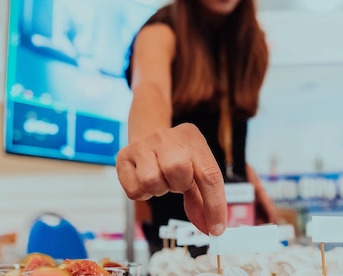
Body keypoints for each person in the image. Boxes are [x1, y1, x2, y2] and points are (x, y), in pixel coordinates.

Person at [116, 0, 277, 255]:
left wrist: (250, 182)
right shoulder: (160, 30)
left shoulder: (251, 41)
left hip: (236, 220)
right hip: (179, 228)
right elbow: (150, 88)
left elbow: (225, 135)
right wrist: (151, 146)